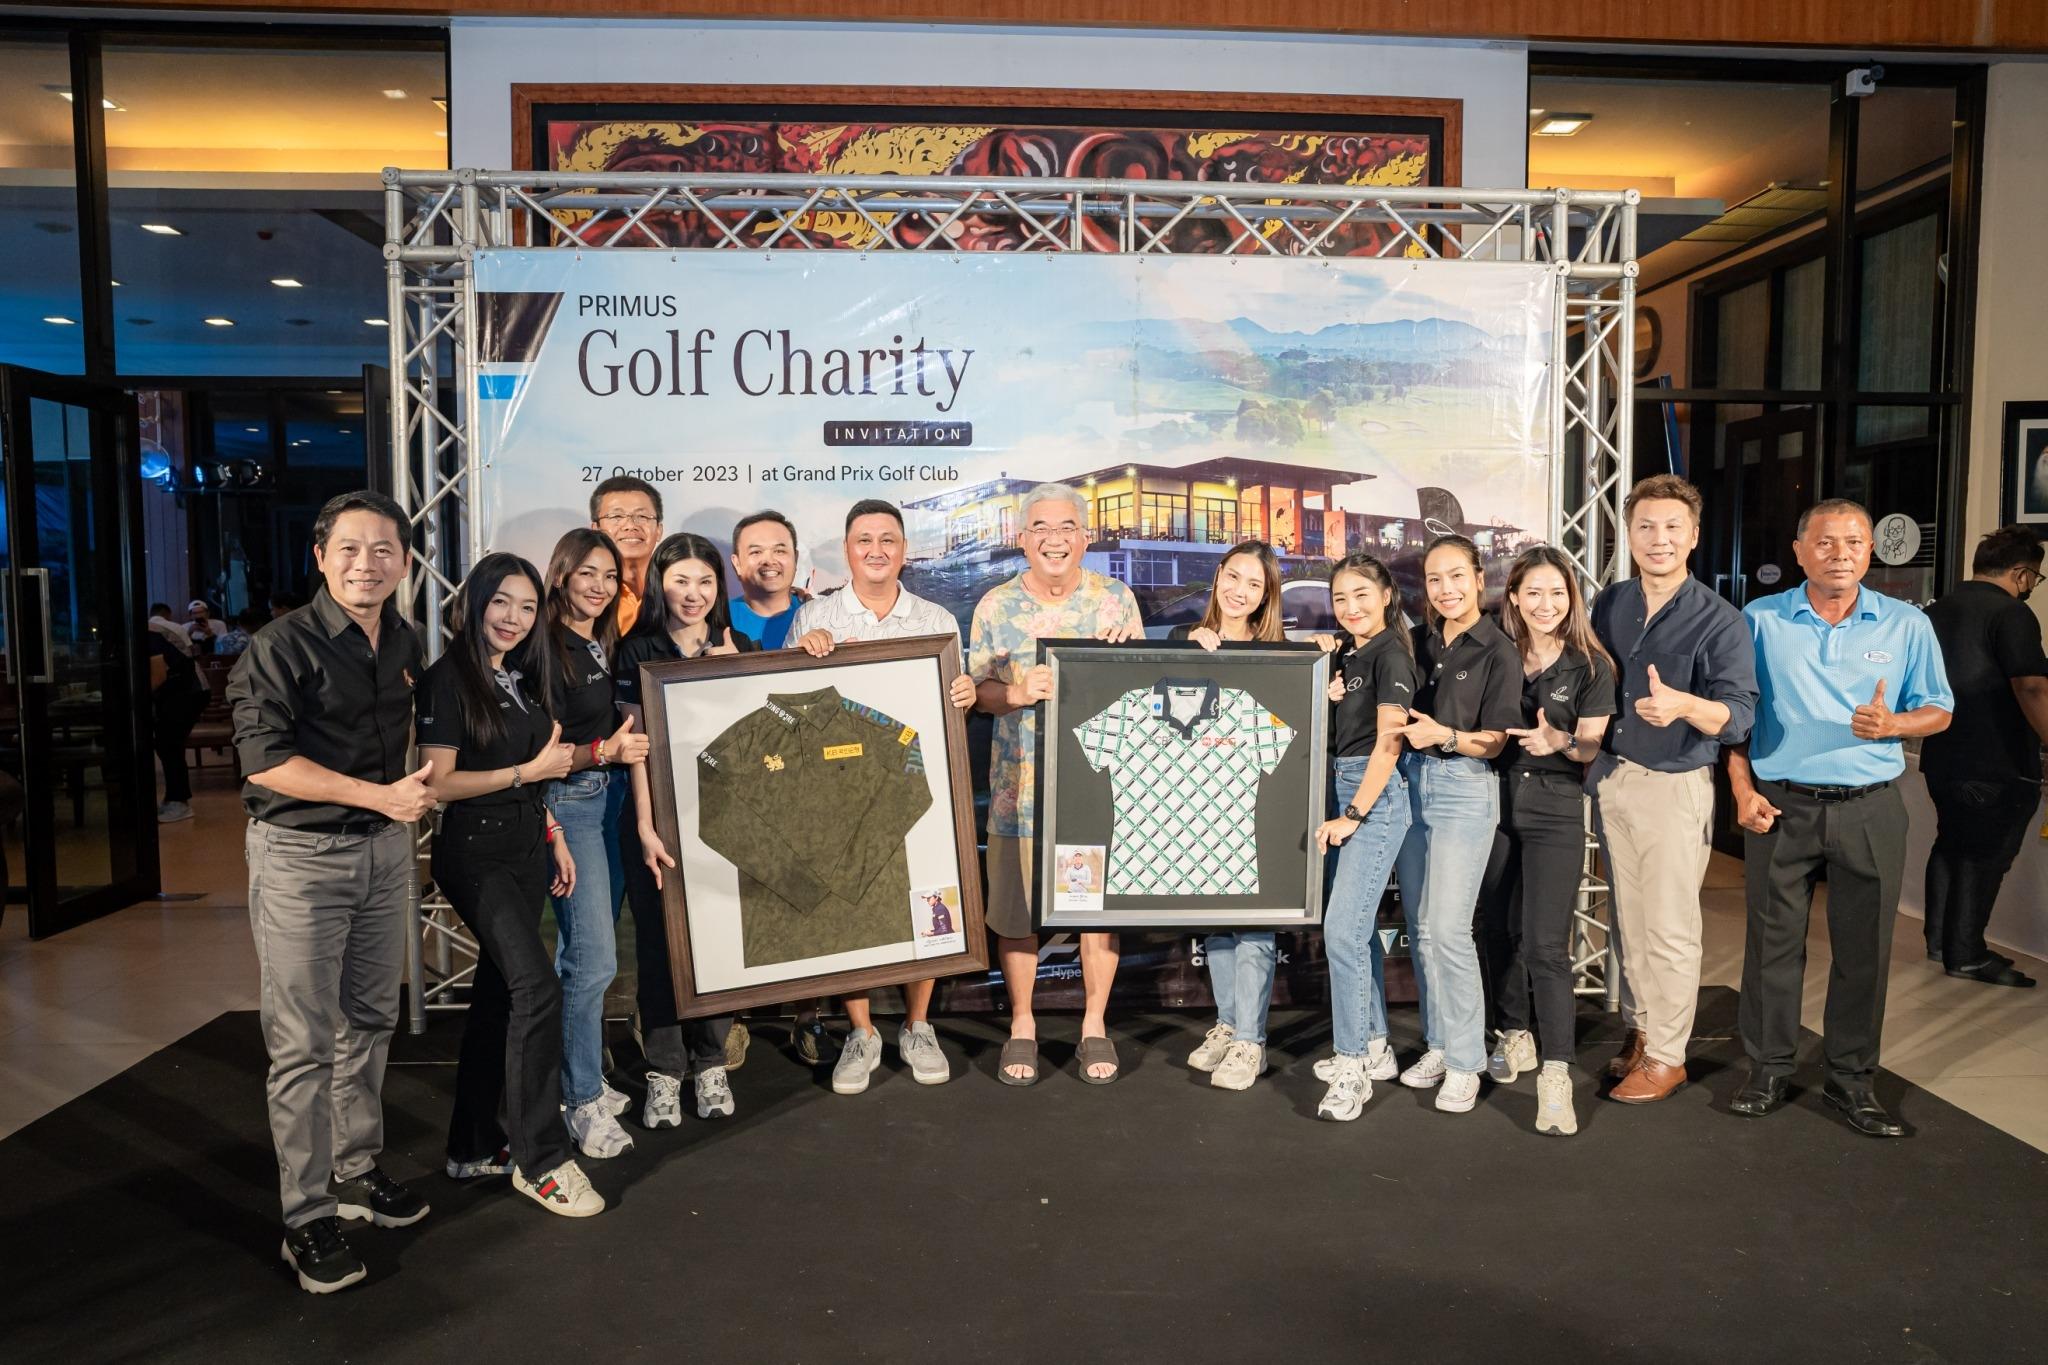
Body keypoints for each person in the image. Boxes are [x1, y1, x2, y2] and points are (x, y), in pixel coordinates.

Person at [228, 490, 437, 1294]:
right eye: (348, 548)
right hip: (301, 859)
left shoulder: (404, 638)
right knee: (304, 1041)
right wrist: (380, 796)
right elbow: (265, 763)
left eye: (383, 549)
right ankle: (307, 1214)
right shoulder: (278, 646)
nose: (365, 563)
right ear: (320, 556)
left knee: (371, 1019)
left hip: (383, 854)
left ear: (405, 562)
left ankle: (355, 1169)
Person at [1728, 499, 1953, 1138]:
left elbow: (1939, 709)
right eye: (1826, 543)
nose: (1841, 555)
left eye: (1854, 542)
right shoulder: (1760, 620)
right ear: (1799, 551)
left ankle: (1851, 1080)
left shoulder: (1906, 624)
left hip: (1871, 807)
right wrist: (1742, 791)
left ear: (1869, 552)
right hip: (1781, 803)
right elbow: (1735, 719)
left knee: (1866, 951)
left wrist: (1896, 723)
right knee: (1772, 947)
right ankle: (1768, 1069)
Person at [416, 552, 605, 1218]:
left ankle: (473, 1144)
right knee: (536, 986)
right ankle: (542, 1160)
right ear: (475, 601)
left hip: (526, 844)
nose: (514, 618)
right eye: (501, 602)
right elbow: (438, 784)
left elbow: (531, 765)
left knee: (499, 996)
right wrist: (529, 775)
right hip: (476, 852)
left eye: (526, 607)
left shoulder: (516, 675)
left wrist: (551, 828)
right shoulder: (447, 679)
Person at [788, 499, 976, 1095]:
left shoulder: (936, 619)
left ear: (904, 550)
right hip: (840, 790)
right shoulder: (815, 617)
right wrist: (803, 654)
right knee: (852, 905)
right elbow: (792, 707)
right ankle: (862, 1031)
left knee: (927, 898)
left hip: (916, 782)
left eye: (888, 539)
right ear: (847, 550)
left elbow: (951, 701)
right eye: (864, 540)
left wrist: (966, 693)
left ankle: (918, 1025)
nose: (876, 550)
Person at [1587, 474, 1757, 1104]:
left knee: (1669, 927)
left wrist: (1685, 704)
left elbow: (1739, 716)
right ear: (1628, 535)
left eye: (1671, 527)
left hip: (1674, 785)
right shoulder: (1610, 603)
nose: (1658, 539)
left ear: (1693, 536)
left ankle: (1668, 1057)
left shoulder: (1720, 620)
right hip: (1614, 778)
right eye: (1646, 526)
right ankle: (1642, 1031)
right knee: (1629, 923)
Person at [968, 482, 1143, 1085]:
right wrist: (1017, 692)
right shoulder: (995, 606)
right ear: (1022, 540)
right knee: (1016, 915)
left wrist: (1123, 662)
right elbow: (976, 693)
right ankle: (1022, 1024)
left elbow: (1144, 690)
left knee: (1094, 912)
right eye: (1040, 528)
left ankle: (1094, 1024)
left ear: (1085, 538)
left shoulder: (1116, 601)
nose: (1054, 539)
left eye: (1066, 527)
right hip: (1016, 792)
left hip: (1095, 793)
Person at [1479, 546, 1616, 1137]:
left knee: (1545, 945)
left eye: (1557, 593)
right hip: (1491, 803)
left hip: (1555, 809)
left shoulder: (1592, 664)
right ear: (1513, 596)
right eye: (1533, 592)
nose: (1545, 604)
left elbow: (1590, 747)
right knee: (1495, 930)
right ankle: (1515, 1033)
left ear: (1571, 598)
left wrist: (1560, 742)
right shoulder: (1495, 652)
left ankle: (1556, 1075)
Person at [615, 532, 747, 1126]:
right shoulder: (635, 649)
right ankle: (665, 1071)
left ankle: (711, 1061)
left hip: (724, 818)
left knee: (719, 938)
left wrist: (733, 673)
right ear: (659, 584)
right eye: (680, 581)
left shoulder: (737, 645)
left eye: (705, 582)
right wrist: (646, 826)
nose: (694, 594)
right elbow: (636, 747)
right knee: (658, 944)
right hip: (656, 819)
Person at [1389, 534, 1521, 1114]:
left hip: (1464, 788)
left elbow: (1494, 743)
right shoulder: (1415, 642)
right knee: (1421, 929)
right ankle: (1441, 1045)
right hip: (1410, 786)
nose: (1446, 589)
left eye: (1456, 576)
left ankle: (1468, 1062)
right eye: (1435, 579)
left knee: (1447, 930)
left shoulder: (1498, 649)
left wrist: (1443, 736)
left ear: (1478, 578)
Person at [538, 528, 651, 1158]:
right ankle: (579, 1100)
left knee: (585, 956)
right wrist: (604, 751)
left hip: (608, 803)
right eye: (588, 573)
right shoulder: (543, 646)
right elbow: (540, 752)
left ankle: (580, 1076)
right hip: (572, 805)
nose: (601, 587)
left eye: (610, 576)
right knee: (593, 961)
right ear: (561, 574)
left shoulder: (598, 642)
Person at [1171, 541, 1293, 1092]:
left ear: (1267, 596)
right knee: (1217, 921)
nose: (1240, 591)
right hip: (1197, 809)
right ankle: (1228, 1024)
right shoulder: (1181, 638)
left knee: (1254, 922)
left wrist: (1323, 669)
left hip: (1256, 807)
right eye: (1234, 577)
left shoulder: (1281, 656)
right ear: (1218, 575)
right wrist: (1190, 654)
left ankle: (1251, 1041)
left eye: (1255, 585)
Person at [1304, 553, 1415, 1121]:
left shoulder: (1392, 653)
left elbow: (1389, 745)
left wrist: (1352, 813)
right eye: (1340, 597)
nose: (1350, 607)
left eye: (1361, 595)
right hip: (1342, 784)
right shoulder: (1352, 652)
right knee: (1357, 932)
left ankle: (1352, 1066)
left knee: (1343, 934)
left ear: (1387, 595)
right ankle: (1374, 1047)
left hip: (1371, 795)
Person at [1919, 525, 2048, 987]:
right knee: (1985, 855)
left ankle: (1940, 941)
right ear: (2021, 573)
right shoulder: (2012, 614)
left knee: (1951, 844)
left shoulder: (1936, 611)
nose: (2032, 586)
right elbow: (2031, 686)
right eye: (2035, 577)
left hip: (1941, 753)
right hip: (1997, 759)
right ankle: (1967, 954)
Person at [149, 617, 211, 824]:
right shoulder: (149, 631)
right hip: (182, 691)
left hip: (188, 692)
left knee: (169, 744)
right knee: (167, 745)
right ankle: (173, 800)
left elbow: (157, 676)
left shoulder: (148, 634)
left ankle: (179, 802)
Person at [589, 475, 664, 634]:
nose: (630, 525)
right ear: (595, 529)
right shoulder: (586, 593)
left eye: (642, 516)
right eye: (616, 516)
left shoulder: (677, 589)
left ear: (659, 530)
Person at [729, 510, 803, 649]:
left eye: (779, 551)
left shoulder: (819, 615)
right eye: (756, 552)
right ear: (737, 564)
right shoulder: (717, 618)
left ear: (796, 558)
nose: (769, 561)